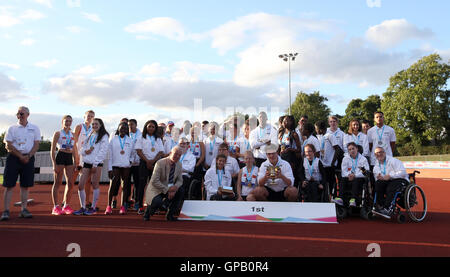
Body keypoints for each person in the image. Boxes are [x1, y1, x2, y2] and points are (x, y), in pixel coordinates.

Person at [1, 106, 41, 221]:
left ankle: (24, 209)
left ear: (28, 114)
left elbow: (36, 144)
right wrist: (20, 156)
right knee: (9, 185)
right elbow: (8, 145)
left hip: (29, 158)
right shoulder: (12, 128)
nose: (19, 116)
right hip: (14, 158)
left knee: (25, 185)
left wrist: (28, 156)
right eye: (18, 114)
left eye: (22, 113)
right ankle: (6, 211)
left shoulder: (35, 128)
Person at [73, 118, 109, 215]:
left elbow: (103, 151)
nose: (94, 126)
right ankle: (83, 207)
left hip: (96, 164)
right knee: (81, 185)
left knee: (94, 184)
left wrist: (95, 164)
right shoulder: (90, 134)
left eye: (96, 124)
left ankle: (93, 207)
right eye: (93, 124)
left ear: (101, 125)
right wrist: (85, 151)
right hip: (87, 162)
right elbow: (82, 148)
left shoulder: (104, 136)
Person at [143, 146, 185, 221]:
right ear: (170, 153)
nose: (177, 156)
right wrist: (168, 190)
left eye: (179, 155)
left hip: (170, 188)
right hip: (156, 190)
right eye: (176, 154)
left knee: (181, 191)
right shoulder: (160, 163)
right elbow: (154, 181)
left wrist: (175, 188)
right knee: (159, 203)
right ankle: (149, 210)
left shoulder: (179, 164)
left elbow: (180, 180)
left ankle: (170, 215)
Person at [134, 120, 165, 214]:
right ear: (145, 127)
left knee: (155, 185)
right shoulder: (141, 137)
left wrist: (153, 161)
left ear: (155, 128)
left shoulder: (158, 139)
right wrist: (147, 161)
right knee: (142, 185)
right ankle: (140, 206)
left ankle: (154, 206)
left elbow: (161, 152)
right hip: (144, 163)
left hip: (155, 163)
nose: (151, 128)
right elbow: (139, 151)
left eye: (153, 127)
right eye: (149, 126)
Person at [50, 115, 77, 215]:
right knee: (58, 182)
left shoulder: (73, 134)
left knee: (70, 183)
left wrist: (75, 161)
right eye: (66, 121)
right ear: (62, 122)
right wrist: (54, 163)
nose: (68, 123)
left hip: (69, 157)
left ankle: (66, 205)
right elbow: (52, 150)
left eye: (70, 121)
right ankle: (56, 207)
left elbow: (74, 149)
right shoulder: (58, 133)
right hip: (60, 156)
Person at [372, 147, 409, 219]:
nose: (379, 154)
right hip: (388, 181)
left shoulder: (393, 161)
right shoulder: (376, 165)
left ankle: (387, 208)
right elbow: (377, 176)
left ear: (385, 153)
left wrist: (390, 176)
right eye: (377, 153)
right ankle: (381, 206)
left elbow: (403, 173)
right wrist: (380, 177)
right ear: (375, 155)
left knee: (391, 187)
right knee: (378, 184)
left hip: (400, 179)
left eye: (381, 152)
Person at [105, 122, 132, 215]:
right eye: (121, 128)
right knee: (112, 185)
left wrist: (130, 161)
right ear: (118, 129)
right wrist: (109, 169)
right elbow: (109, 155)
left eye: (125, 128)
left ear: (127, 130)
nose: (123, 130)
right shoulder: (113, 140)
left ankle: (123, 206)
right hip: (115, 165)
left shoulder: (130, 140)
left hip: (126, 166)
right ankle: (108, 206)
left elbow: (133, 153)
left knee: (125, 186)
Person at [333, 142, 370, 207]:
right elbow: (344, 172)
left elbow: (365, 172)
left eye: (353, 148)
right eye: (349, 149)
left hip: (359, 179)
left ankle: (353, 200)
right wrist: (349, 175)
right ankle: (340, 198)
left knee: (356, 180)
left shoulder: (363, 159)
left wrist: (355, 175)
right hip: (348, 178)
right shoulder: (345, 159)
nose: (352, 150)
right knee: (343, 179)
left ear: (357, 149)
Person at [72, 110, 95, 208]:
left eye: (91, 116)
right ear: (84, 116)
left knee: (87, 180)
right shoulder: (79, 127)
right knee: (72, 179)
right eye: (88, 116)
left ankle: (87, 201)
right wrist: (75, 157)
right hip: (78, 156)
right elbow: (74, 143)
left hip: (87, 157)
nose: (89, 117)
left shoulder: (94, 129)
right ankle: (66, 201)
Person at [278, 115, 302, 186]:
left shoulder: (294, 134)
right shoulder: (281, 134)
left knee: (290, 177)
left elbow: (299, 149)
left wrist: (289, 149)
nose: (284, 123)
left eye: (286, 121)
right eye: (283, 121)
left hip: (291, 159)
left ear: (291, 122)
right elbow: (279, 147)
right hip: (282, 158)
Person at [128, 119, 141, 209]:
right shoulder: (126, 135)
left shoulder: (141, 135)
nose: (130, 126)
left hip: (138, 163)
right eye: (129, 125)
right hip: (128, 163)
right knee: (127, 183)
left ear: (136, 125)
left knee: (137, 183)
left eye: (132, 124)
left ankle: (137, 201)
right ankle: (127, 201)